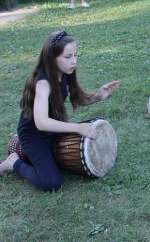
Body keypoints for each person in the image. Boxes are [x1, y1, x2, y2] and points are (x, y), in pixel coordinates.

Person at [0, 31, 119, 192]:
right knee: (52, 184)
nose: (74, 61)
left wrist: (98, 95)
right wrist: (77, 127)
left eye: (75, 55)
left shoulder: (64, 75)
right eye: (68, 57)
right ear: (52, 58)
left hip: (53, 130)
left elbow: (79, 98)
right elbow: (41, 123)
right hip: (33, 135)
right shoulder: (42, 84)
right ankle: (13, 162)